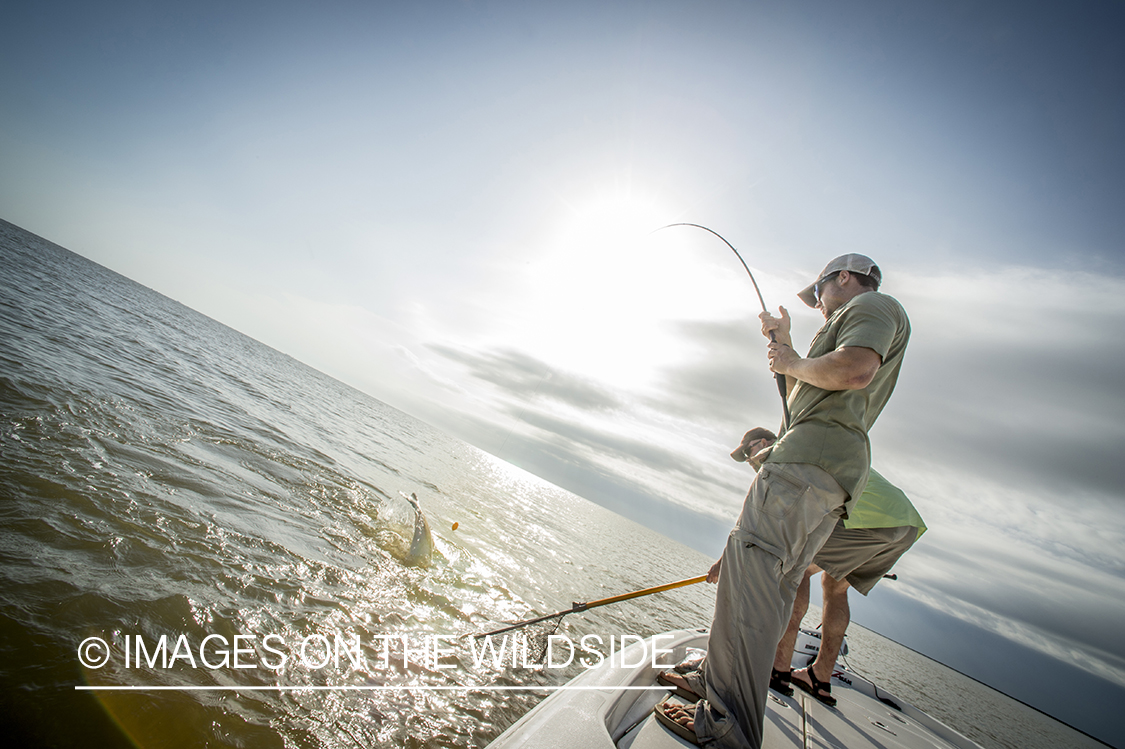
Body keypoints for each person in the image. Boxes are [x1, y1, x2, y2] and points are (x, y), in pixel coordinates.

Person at [653, 254, 910, 748]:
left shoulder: (874, 305)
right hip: (819, 465)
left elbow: (855, 369)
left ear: (842, 278)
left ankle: (726, 724)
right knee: (766, 586)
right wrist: (786, 346)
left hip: (807, 464)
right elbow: (804, 399)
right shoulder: (850, 320)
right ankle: (714, 682)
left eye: (819, 294)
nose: (819, 306)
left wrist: (790, 360)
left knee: (754, 584)